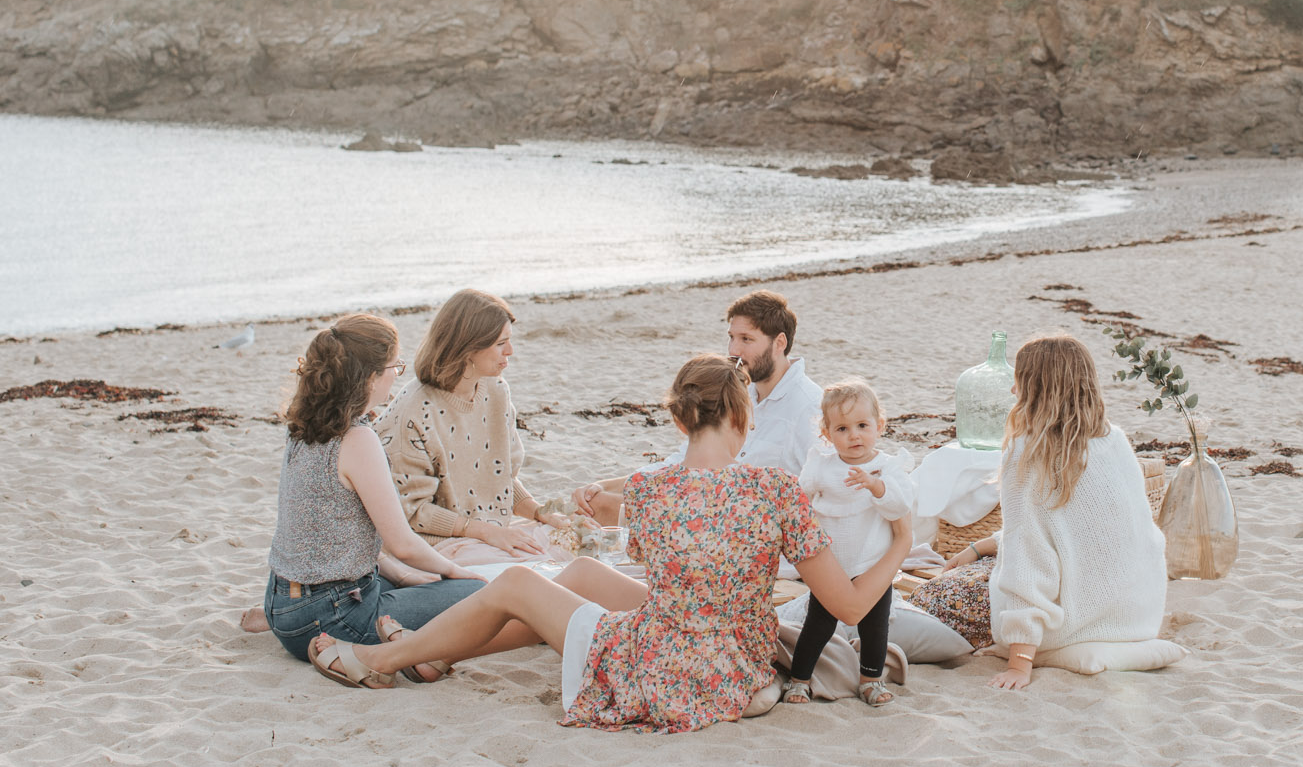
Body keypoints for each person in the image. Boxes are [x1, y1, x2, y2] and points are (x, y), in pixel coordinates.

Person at [329, 354, 911, 731]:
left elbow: (626, 512)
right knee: (578, 578)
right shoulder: (778, 489)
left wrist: (592, 504)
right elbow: (853, 607)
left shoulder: (652, 493)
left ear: (681, 423)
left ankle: (379, 661)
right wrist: (897, 544)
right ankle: (434, 653)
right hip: (740, 663)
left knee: (515, 583)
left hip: (675, 669)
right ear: (742, 416)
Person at [907, 333, 1167, 691]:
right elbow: (1076, 531)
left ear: (1037, 388)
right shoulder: (1114, 441)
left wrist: (1020, 664)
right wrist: (981, 547)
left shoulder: (1029, 453)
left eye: (1020, 379)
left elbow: (1029, 562)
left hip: (1071, 620)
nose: (1013, 390)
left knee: (930, 596)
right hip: (1134, 612)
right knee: (978, 569)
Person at [262, 314, 487, 685]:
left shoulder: (302, 427)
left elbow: (341, 540)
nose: (396, 375)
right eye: (394, 367)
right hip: (332, 617)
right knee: (478, 593)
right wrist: (453, 573)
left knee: (420, 581)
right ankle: (407, 652)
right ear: (368, 377)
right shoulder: (357, 440)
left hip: (282, 605)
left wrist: (407, 576)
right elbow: (402, 543)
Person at [573, 289, 821, 521]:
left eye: (747, 339)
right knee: (596, 501)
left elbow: (827, 491)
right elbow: (682, 460)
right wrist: (605, 484)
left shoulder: (810, 407)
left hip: (752, 532)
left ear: (779, 343)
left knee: (602, 509)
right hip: (703, 510)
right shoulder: (738, 392)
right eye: (732, 337)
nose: (734, 350)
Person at [375, 288, 567, 562]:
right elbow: (413, 512)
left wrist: (539, 512)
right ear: (468, 348)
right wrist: (484, 532)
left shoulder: (496, 390)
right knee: (539, 572)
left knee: (577, 548)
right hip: (436, 547)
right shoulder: (415, 410)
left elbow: (499, 479)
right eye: (501, 343)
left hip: (489, 535)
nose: (510, 351)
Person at [783, 379, 914, 706]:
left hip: (872, 564)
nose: (854, 435)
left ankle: (870, 679)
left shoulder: (886, 467)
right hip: (832, 566)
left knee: (875, 627)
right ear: (826, 434)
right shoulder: (822, 466)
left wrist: (875, 486)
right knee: (817, 625)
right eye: (842, 428)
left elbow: (901, 506)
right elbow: (801, 498)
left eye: (862, 425)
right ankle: (800, 679)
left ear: (879, 426)